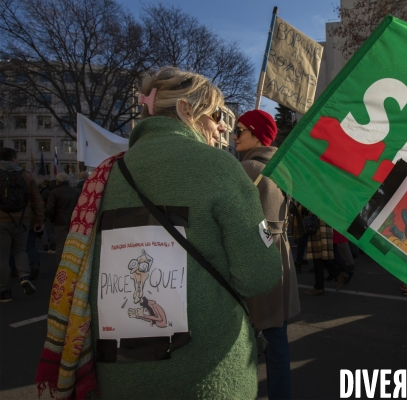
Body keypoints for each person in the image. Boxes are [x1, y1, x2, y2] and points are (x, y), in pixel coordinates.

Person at [36, 67, 283, 399]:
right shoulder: (219, 167)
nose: (222, 125)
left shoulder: (107, 175)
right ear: (185, 110)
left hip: (121, 373)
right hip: (207, 370)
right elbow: (257, 277)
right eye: (215, 115)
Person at [236, 109, 301, 400]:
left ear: (257, 134)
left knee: (245, 343)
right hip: (279, 255)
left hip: (255, 259)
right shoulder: (281, 167)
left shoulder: (249, 168)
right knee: (277, 340)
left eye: (240, 130)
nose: (234, 135)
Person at [0, 147, 45, 302]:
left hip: (1, 221)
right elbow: (37, 200)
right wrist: (39, 220)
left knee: (2, 256)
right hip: (23, 220)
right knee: (20, 250)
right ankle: (24, 276)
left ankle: (4, 291)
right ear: (13, 159)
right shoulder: (27, 176)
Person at [303, 215, 349, 295]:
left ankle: (320, 286)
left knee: (318, 255)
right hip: (323, 223)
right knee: (320, 256)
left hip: (319, 223)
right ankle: (335, 276)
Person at [45, 172, 80, 263]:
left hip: (60, 221)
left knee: (61, 245)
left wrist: (52, 219)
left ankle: (61, 266)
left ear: (58, 181)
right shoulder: (76, 191)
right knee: (74, 245)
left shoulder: (54, 192)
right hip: (74, 221)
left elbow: (50, 209)